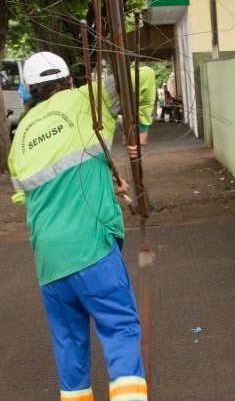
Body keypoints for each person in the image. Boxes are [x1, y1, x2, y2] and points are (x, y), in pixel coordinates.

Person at [8, 51, 156, 401]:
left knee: (70, 347)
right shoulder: (87, 100)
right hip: (91, 249)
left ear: (29, 91)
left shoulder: (20, 139)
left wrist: (102, 179)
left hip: (49, 262)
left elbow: (31, 198)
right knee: (120, 330)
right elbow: (144, 73)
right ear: (67, 80)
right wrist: (143, 128)